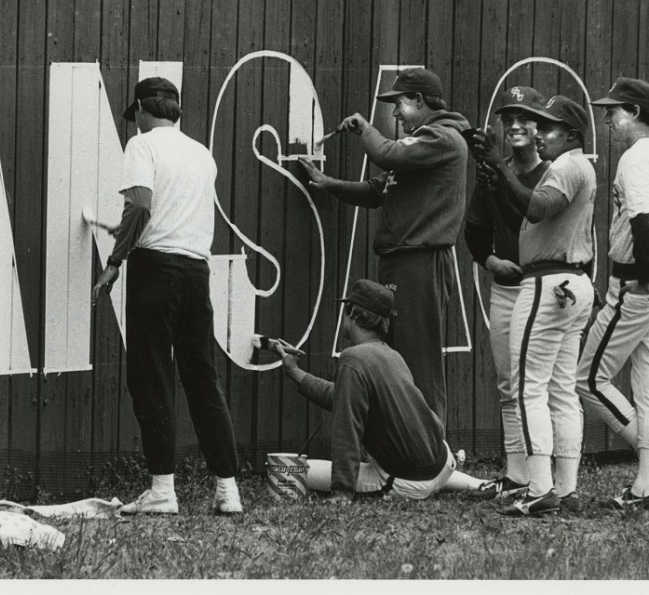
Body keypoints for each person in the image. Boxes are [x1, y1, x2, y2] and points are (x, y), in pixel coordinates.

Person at [92, 77, 242, 516]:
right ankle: (228, 491)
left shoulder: (142, 145)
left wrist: (116, 261)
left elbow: (140, 206)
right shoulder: (201, 153)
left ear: (141, 110)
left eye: (134, 115)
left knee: (151, 377)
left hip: (155, 272)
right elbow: (167, 215)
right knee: (202, 381)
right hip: (196, 274)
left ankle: (162, 492)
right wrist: (134, 230)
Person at [299, 68, 468, 425]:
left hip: (421, 260)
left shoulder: (443, 137)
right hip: (401, 260)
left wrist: (363, 127)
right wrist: (329, 184)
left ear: (420, 101)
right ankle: (406, 443)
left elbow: (386, 153)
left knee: (419, 358)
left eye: (399, 104)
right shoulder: (422, 142)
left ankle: (433, 448)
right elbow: (379, 191)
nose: (394, 114)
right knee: (397, 356)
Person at [470, 95, 596, 517]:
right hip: (570, 281)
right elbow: (527, 216)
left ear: (572, 135)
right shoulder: (577, 165)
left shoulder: (566, 166)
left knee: (529, 388)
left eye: (550, 127)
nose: (540, 133)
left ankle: (540, 487)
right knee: (560, 390)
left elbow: (539, 209)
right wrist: (499, 183)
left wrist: (501, 167)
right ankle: (566, 488)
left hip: (547, 282)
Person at [574, 78, 649, 510]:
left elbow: (647, 224)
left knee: (586, 379)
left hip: (641, 283)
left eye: (615, 111)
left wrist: (639, 282)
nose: (607, 118)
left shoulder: (635, 158)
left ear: (637, 113)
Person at [273, 279, 487, 501]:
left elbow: (347, 429)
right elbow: (340, 397)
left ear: (353, 313)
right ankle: (480, 484)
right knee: (421, 466)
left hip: (405, 481)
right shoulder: (391, 354)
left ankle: (437, 485)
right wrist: (294, 372)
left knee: (288, 470)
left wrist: (341, 492)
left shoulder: (352, 358)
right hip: (443, 462)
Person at [463, 86, 550, 500]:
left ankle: (544, 477)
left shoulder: (554, 172)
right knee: (507, 385)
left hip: (542, 288)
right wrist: (488, 261)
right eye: (508, 118)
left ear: (540, 128)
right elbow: (475, 229)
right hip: (506, 288)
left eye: (524, 118)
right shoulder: (490, 171)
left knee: (536, 387)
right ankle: (517, 475)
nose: (515, 125)